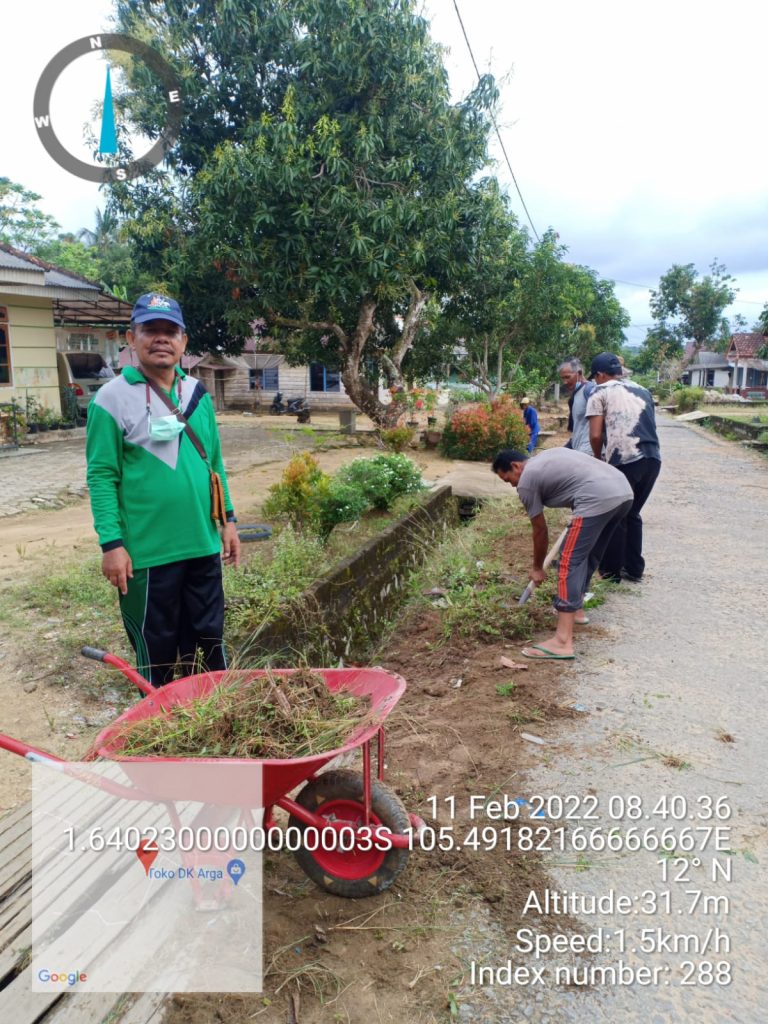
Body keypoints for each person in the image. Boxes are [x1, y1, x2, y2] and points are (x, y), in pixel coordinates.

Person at [86, 293, 241, 686]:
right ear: (131, 338)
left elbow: (215, 463)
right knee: (157, 652)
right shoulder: (110, 399)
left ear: (183, 342)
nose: (161, 339)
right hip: (147, 556)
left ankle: (211, 712)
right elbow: (101, 476)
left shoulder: (198, 394)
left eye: (170, 331)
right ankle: (160, 719)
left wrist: (228, 521)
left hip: (202, 546)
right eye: (150, 330)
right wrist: (111, 544)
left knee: (209, 642)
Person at [492, 447, 632, 660]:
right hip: (622, 491)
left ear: (515, 466)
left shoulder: (527, 480)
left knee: (569, 561)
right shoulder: (547, 457)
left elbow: (540, 530)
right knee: (588, 554)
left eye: (508, 480)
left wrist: (537, 568)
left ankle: (562, 641)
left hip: (597, 497)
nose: (512, 486)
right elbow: (578, 477)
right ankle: (577, 611)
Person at [585, 352, 661, 583]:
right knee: (632, 513)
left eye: (594, 377)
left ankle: (611, 572)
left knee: (616, 515)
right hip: (652, 458)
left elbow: (595, 434)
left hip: (625, 458)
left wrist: (597, 458)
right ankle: (634, 569)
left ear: (600, 375)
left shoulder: (599, 391)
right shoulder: (643, 390)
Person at [558, 357, 595, 455]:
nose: (565, 382)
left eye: (567, 377)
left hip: (590, 453)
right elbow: (578, 428)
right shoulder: (575, 394)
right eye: (562, 378)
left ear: (579, 373)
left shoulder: (590, 390)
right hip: (579, 450)